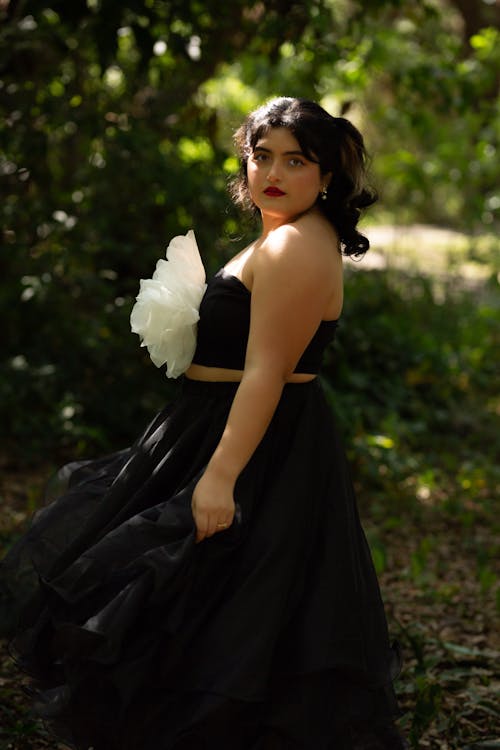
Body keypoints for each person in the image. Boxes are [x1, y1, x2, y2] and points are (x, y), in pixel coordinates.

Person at [0, 97, 406, 749]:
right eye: (261, 156)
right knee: (208, 600)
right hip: (215, 427)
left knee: (225, 602)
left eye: (295, 160)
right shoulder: (285, 234)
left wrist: (219, 478)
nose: (272, 171)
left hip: (251, 442)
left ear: (326, 176)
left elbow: (266, 372)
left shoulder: (295, 246)